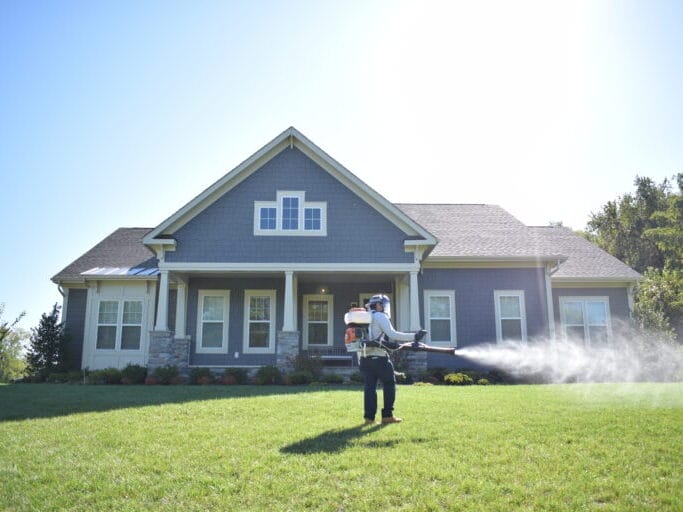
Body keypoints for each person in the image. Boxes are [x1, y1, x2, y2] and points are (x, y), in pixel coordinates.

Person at [360, 294, 426, 425]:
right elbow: (393, 334)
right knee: (389, 384)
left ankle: (369, 418)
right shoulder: (380, 316)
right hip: (380, 359)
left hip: (365, 359)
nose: (385, 308)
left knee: (369, 388)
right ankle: (387, 416)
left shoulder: (365, 317)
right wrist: (415, 336)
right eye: (384, 305)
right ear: (378, 305)